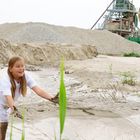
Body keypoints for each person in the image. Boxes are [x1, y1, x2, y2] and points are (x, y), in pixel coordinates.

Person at [0, 56, 58, 140]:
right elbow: (8, 97)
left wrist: (52, 98)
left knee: (3, 130)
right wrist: (14, 109)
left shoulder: (25, 77)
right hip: (2, 105)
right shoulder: (5, 79)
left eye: (22, 66)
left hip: (6, 107)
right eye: (18, 66)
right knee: (2, 128)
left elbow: (38, 90)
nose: (21, 68)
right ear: (10, 69)